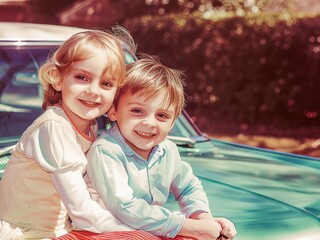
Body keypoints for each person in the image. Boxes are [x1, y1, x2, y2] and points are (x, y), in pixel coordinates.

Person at [0, 28, 159, 239]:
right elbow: (82, 211)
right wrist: (138, 231)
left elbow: (94, 193)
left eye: (106, 83)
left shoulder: (90, 126)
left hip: (63, 230)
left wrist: (147, 220)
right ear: (57, 78)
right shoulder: (53, 127)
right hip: (27, 234)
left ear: (116, 93)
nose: (93, 90)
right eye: (82, 77)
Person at [86, 55, 237, 240]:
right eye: (137, 111)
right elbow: (125, 208)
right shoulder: (106, 150)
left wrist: (203, 220)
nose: (149, 123)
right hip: (105, 231)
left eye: (162, 115)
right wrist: (191, 228)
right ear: (114, 112)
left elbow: (188, 187)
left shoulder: (168, 150)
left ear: (173, 122)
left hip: (148, 228)